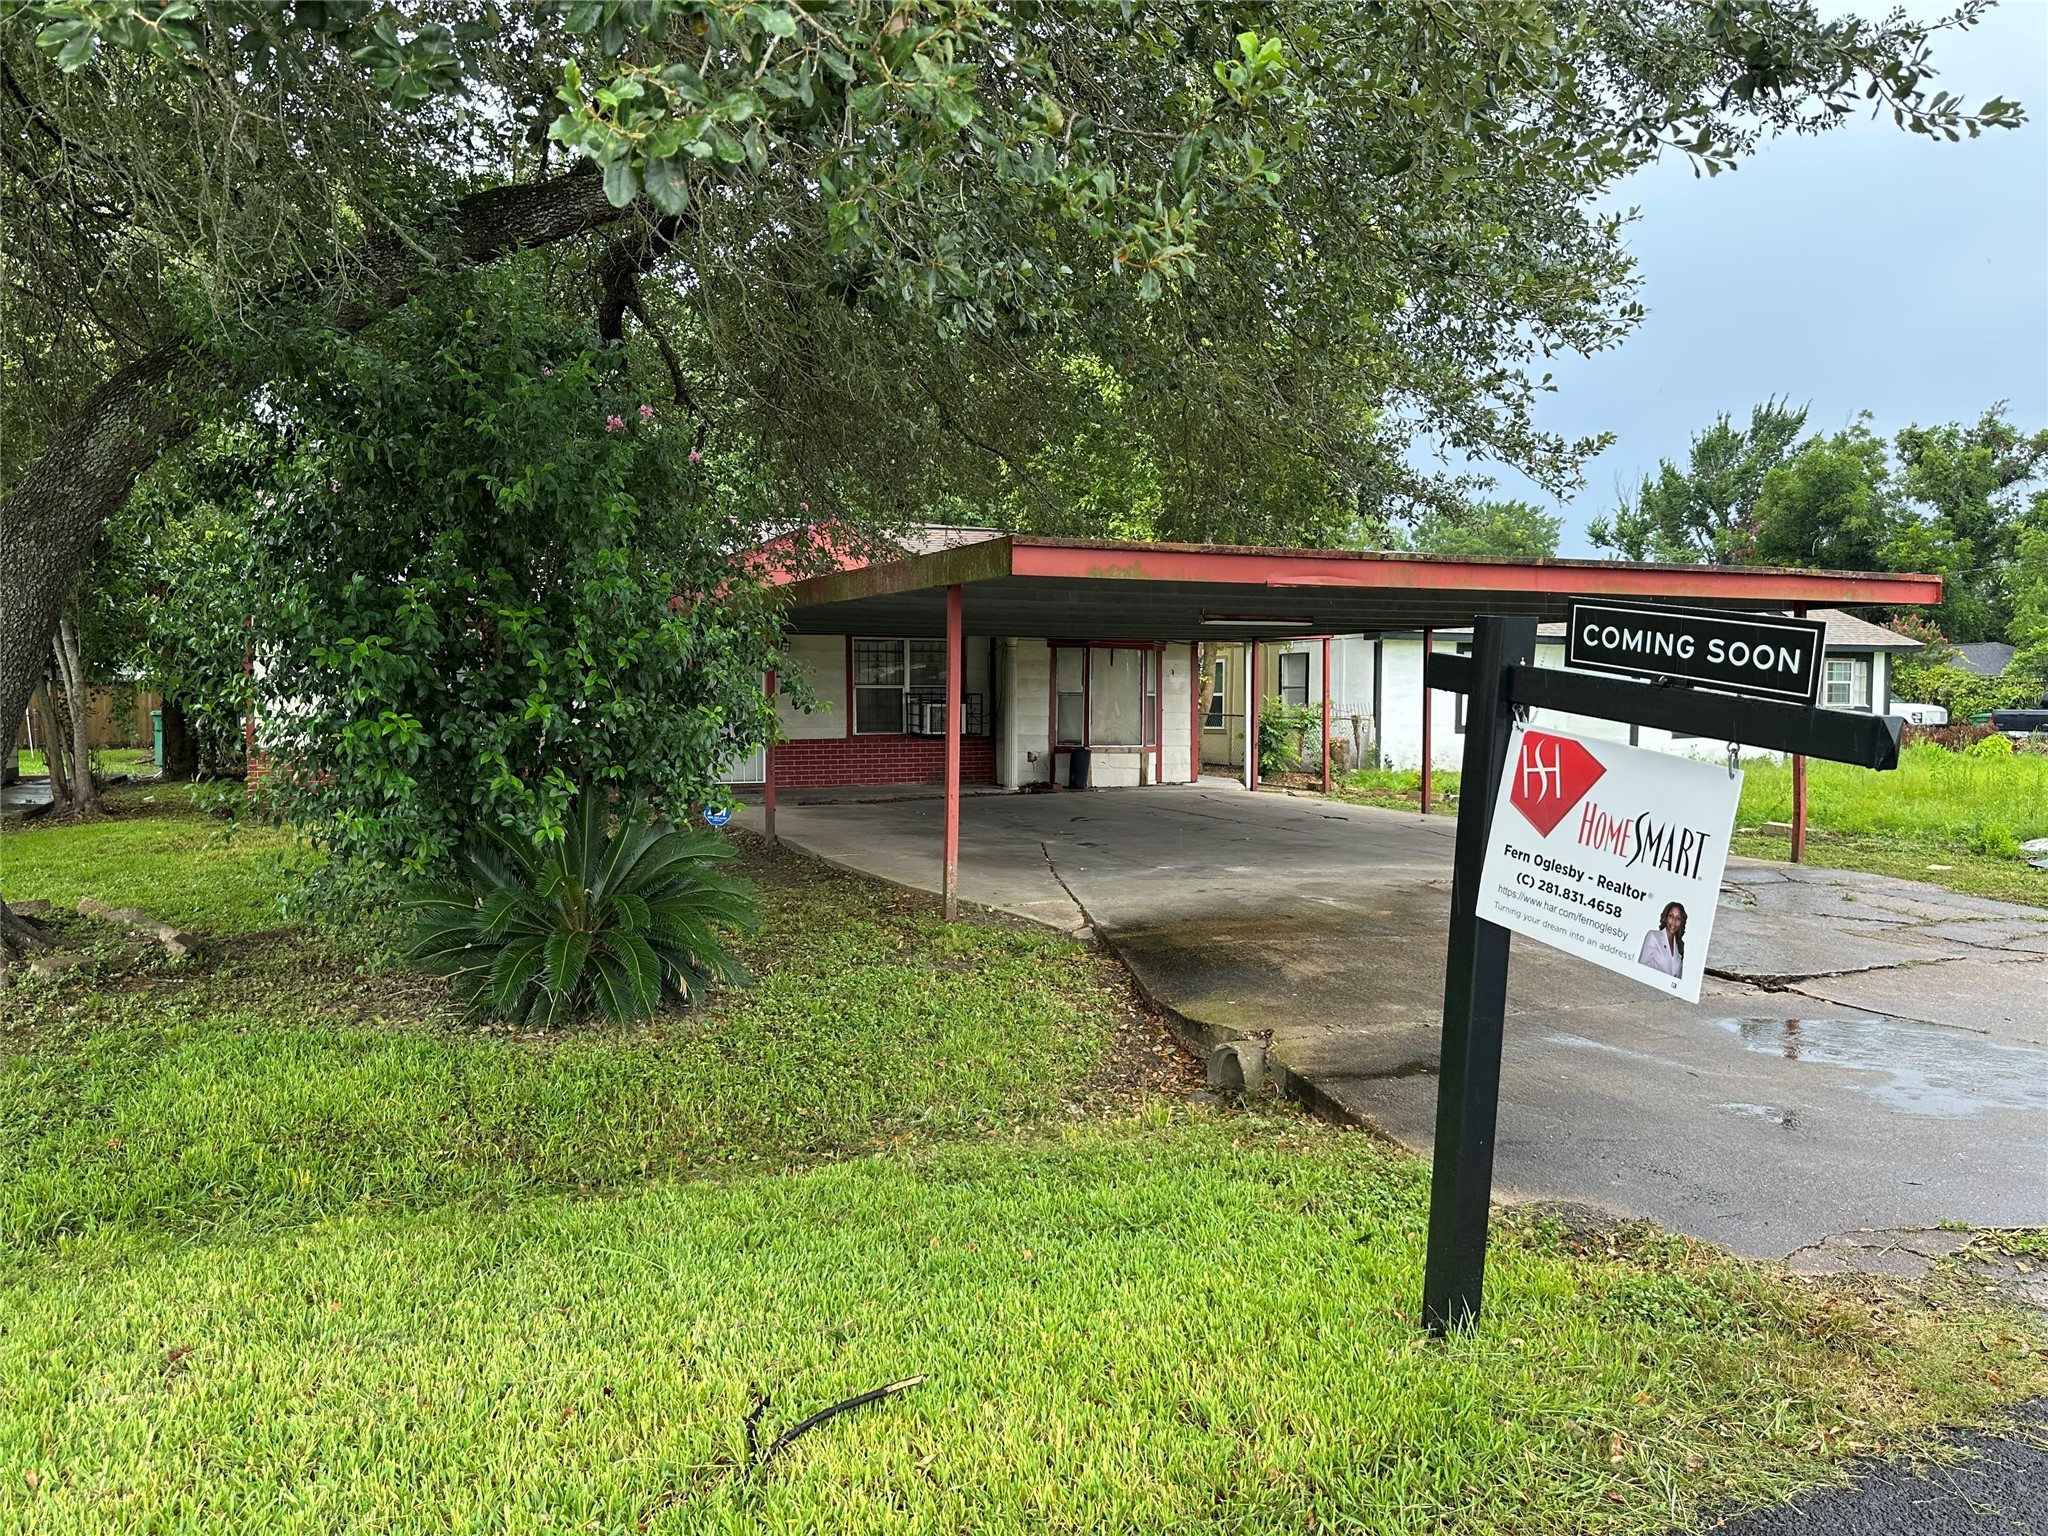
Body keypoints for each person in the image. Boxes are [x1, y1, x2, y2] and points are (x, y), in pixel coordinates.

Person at [1637, 901, 1686, 977]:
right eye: (1671, 916)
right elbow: (1641, 968)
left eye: (1678, 918)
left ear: (1681, 923)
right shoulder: (1653, 936)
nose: (1674, 921)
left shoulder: (1679, 947)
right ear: (1665, 918)